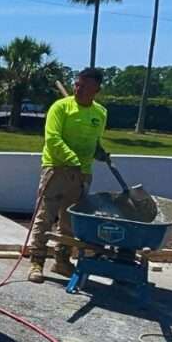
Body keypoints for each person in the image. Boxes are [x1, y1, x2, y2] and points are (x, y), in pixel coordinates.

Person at [28, 67, 110, 283]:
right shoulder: (60, 108)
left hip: (82, 175)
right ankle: (36, 262)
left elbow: (93, 141)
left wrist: (99, 153)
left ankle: (62, 261)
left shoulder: (100, 113)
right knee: (45, 216)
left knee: (70, 220)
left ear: (97, 90)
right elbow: (53, 139)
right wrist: (72, 160)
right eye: (77, 84)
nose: (78, 89)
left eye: (85, 86)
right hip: (56, 169)